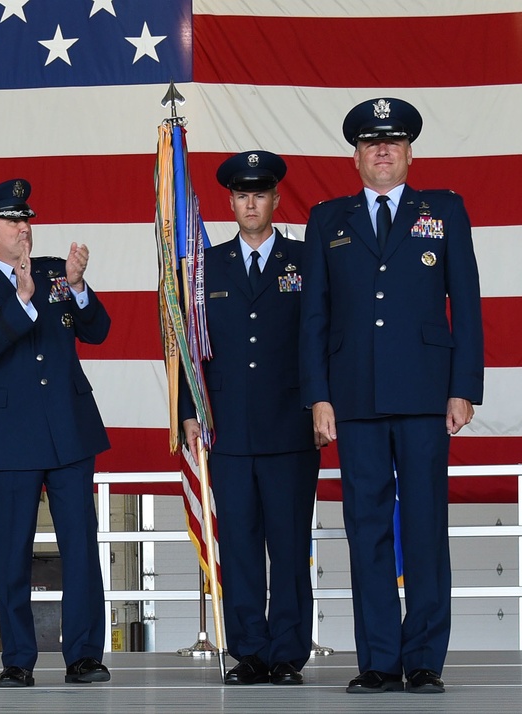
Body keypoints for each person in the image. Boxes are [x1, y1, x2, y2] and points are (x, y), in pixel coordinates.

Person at [299, 99, 484, 694]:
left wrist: (464, 387)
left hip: (427, 394)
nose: (383, 150)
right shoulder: (329, 220)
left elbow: (469, 305)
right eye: (372, 142)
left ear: (409, 152)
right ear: (356, 155)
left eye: (394, 141)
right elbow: (314, 319)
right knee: (367, 527)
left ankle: (425, 658)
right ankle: (379, 658)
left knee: (426, 525)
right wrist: (318, 396)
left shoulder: (445, 211)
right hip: (353, 396)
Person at [0, 178, 112, 688]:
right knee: (10, 550)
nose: (25, 229)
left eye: (27, 220)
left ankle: (83, 655)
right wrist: (20, 300)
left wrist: (80, 287)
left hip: (68, 429)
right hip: (10, 436)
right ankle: (18, 658)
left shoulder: (57, 274)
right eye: (14, 223)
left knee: (80, 547)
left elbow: (98, 331)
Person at [181, 151, 321, 686]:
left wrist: (321, 405)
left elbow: (321, 340)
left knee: (287, 546)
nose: (251, 204)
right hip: (229, 431)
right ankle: (248, 651)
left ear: (276, 199)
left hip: (291, 426)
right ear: (231, 202)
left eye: (260, 194)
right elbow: (187, 350)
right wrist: (189, 411)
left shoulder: (305, 260)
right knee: (239, 545)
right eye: (241, 195)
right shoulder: (204, 268)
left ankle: (286, 652)